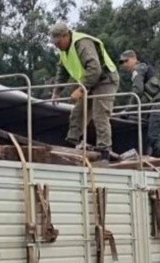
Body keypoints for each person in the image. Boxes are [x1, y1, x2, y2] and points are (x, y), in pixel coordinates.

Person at [49, 22, 119, 160]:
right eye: (54, 43)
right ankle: (72, 142)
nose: (57, 45)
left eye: (58, 42)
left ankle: (104, 149)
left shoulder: (82, 44)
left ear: (66, 35)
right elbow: (62, 71)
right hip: (90, 82)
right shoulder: (63, 51)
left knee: (100, 114)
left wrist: (81, 89)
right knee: (78, 112)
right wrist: (57, 91)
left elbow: (95, 69)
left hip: (105, 80)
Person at [119, 49, 160, 157]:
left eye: (125, 61)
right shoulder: (144, 69)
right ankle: (155, 155)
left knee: (154, 135)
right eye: (121, 62)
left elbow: (137, 91)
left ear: (134, 59)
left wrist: (127, 110)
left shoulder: (138, 69)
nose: (123, 64)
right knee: (151, 132)